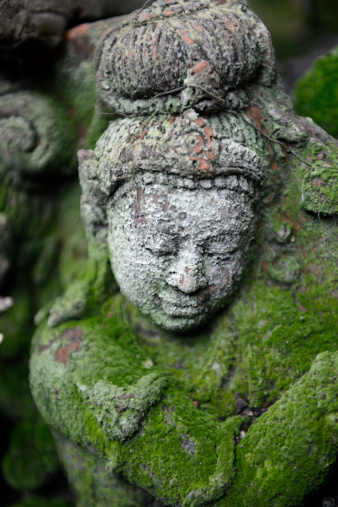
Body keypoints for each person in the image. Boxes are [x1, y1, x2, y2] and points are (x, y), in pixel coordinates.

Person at [30, 1, 338, 505]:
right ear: (101, 223)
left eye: (220, 246)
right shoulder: (71, 357)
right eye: (159, 245)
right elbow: (232, 495)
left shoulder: (273, 323)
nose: (190, 279)